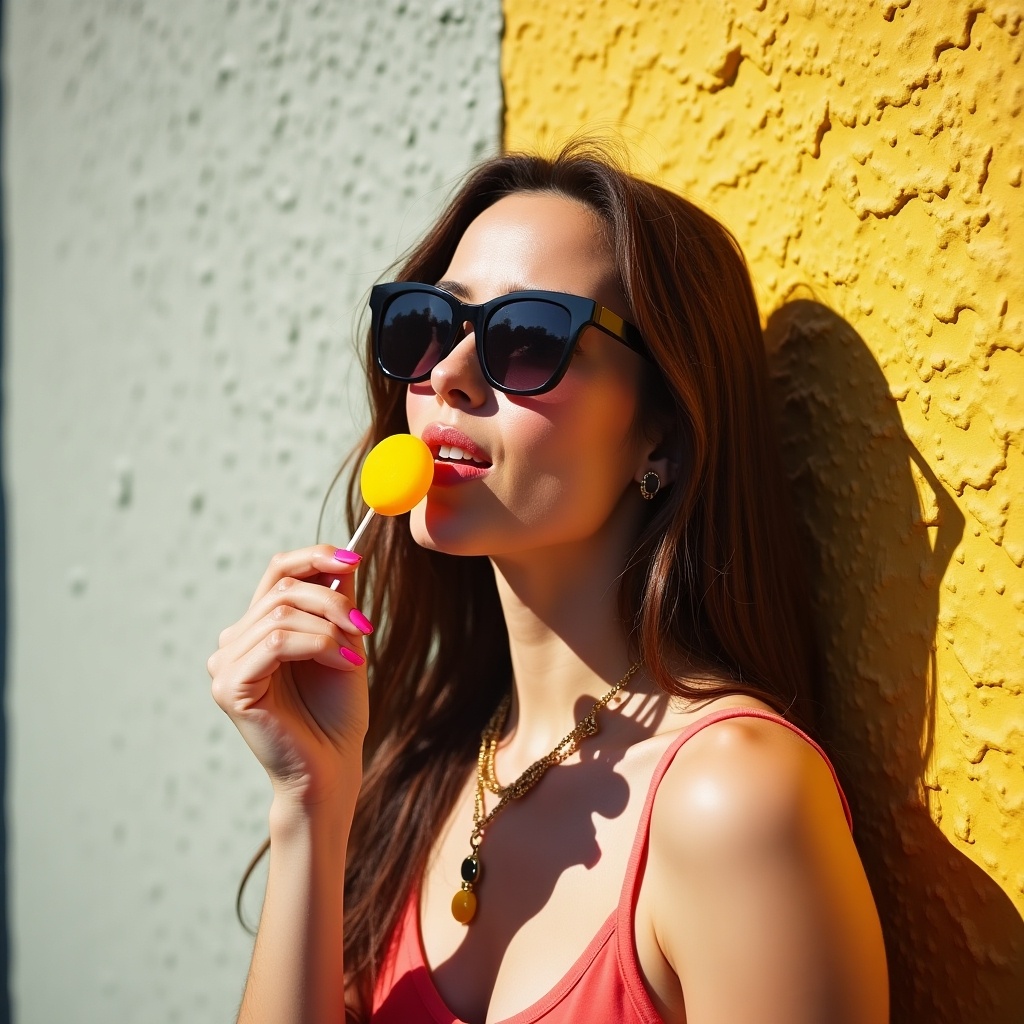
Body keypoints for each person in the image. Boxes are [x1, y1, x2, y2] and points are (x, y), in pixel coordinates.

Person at [208, 142, 890, 1024]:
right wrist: (308, 804)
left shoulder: (733, 803)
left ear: (663, 437)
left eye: (525, 339)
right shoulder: (421, 763)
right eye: (426, 325)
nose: (446, 376)